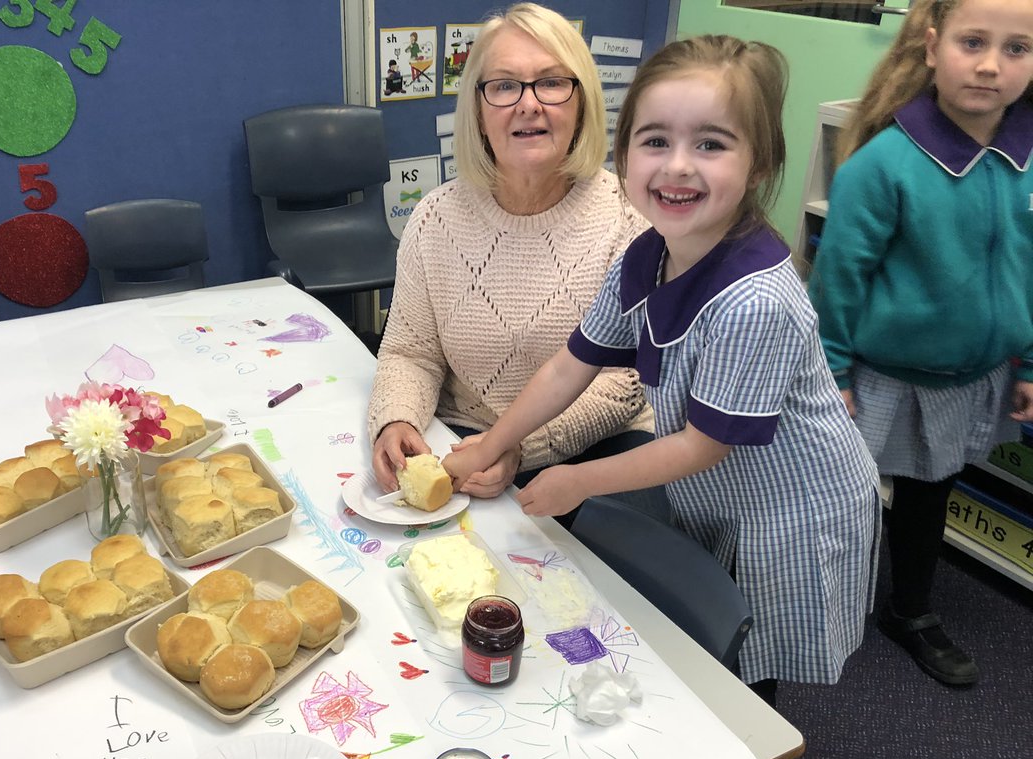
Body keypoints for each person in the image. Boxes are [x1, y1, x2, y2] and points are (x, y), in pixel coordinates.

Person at [444, 35, 881, 699]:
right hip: (728, 486)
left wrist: (575, 480)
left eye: (710, 144)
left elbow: (702, 446)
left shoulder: (755, 300)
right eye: (654, 141)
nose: (678, 167)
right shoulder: (647, 254)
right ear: (623, 156)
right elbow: (573, 364)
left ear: (759, 164)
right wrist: (492, 444)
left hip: (794, 507)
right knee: (713, 632)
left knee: (752, 649)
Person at [809, 0, 1033, 686]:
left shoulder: (1026, 158)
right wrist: (833, 373)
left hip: (974, 372)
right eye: (973, 42)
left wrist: (1028, 360)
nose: (992, 64)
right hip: (881, 375)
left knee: (929, 494)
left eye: (1018, 48)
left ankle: (910, 610)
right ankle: (803, 600)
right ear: (934, 47)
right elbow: (840, 277)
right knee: (836, 495)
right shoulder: (884, 165)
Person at [368, 3, 654, 513]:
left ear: (582, 102)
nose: (529, 104)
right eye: (504, 86)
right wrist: (397, 420)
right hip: (460, 443)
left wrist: (517, 446)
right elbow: (410, 351)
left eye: (551, 83)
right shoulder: (434, 218)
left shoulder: (631, 220)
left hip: (596, 456)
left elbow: (625, 382)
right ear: (478, 110)